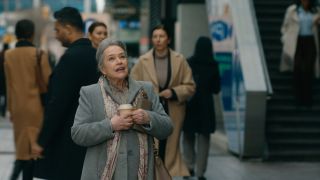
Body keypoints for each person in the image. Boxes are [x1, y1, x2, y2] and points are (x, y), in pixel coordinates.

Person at [71, 38, 173, 180]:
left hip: (140, 174)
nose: (119, 61)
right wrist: (111, 125)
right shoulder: (90, 93)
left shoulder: (145, 90)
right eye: (111, 59)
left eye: (122, 56)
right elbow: (78, 133)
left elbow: (167, 127)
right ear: (103, 69)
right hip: (102, 174)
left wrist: (148, 118)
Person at [31, 7, 99, 180]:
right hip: (92, 135)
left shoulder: (70, 58)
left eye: (57, 29)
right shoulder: (96, 56)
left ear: (68, 28)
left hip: (67, 139)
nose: (56, 34)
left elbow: (58, 104)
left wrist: (42, 140)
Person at [130, 24, 196, 177]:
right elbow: (132, 85)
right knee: (153, 145)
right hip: (149, 109)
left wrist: (173, 92)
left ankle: (168, 174)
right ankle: (154, 174)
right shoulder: (142, 61)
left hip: (174, 109)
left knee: (170, 147)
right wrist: (145, 96)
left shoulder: (179, 60)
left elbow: (190, 86)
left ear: (169, 39)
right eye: (155, 36)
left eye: (161, 36)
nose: (158, 39)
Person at [4, 19, 51, 180]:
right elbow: (47, 82)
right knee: (32, 150)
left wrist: (10, 108)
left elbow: (9, 86)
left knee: (22, 148)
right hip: (36, 108)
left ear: (16, 34)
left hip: (18, 108)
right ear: (32, 34)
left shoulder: (8, 56)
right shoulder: (39, 54)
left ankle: (17, 174)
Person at [182, 36, 220, 180]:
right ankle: (200, 172)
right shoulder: (213, 65)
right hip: (206, 106)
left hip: (191, 104)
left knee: (188, 137)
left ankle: (188, 167)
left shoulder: (189, 62)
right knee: (204, 139)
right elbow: (216, 89)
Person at [280, 0, 320, 107]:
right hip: (296, 41)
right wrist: (285, 38)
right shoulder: (293, 10)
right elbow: (285, 26)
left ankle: (307, 99)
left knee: (308, 69)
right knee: (297, 68)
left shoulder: (316, 11)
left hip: (310, 42)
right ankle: (298, 98)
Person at [0, 43, 9, 117]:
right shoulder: (8, 55)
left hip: (0, 77)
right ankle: (3, 110)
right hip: (5, 78)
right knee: (5, 95)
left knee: (0, 94)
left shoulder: (0, 54)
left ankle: (1, 109)